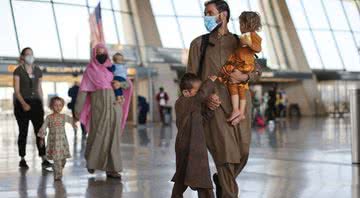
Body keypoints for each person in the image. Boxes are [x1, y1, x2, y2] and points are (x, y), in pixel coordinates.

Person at [187, 1, 262, 197]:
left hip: (240, 106)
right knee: (226, 157)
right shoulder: (198, 44)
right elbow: (190, 80)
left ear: (223, 15)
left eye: (210, 12)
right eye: (205, 13)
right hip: (214, 108)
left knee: (242, 154)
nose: (206, 17)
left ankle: (221, 179)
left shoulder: (240, 41)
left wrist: (245, 77)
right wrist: (205, 98)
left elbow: (257, 70)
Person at [74, 44, 123, 179]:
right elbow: (83, 91)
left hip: (114, 107)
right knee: (98, 134)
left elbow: (124, 83)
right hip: (99, 107)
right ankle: (92, 162)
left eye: (104, 52)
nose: (101, 55)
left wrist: (121, 85)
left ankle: (112, 169)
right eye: (98, 53)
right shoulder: (90, 71)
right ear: (94, 55)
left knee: (113, 138)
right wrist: (77, 111)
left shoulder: (112, 69)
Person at [171, 73, 216, 198]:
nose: (201, 93)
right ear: (186, 92)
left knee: (191, 175)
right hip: (187, 145)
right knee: (190, 175)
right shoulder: (182, 102)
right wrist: (210, 82)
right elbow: (200, 96)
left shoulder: (194, 105)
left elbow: (203, 119)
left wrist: (211, 109)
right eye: (198, 90)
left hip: (196, 145)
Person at [218, 11, 262, 122]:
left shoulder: (252, 37)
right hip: (240, 65)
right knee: (236, 86)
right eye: (240, 24)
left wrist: (249, 44)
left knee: (237, 85)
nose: (240, 27)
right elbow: (237, 52)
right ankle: (238, 111)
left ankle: (239, 111)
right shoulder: (240, 39)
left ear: (250, 25)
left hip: (245, 66)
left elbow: (258, 48)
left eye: (242, 24)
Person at [13, 47, 52, 169]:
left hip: (36, 104)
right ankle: (22, 158)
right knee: (23, 132)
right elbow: (17, 90)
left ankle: (43, 157)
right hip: (21, 104)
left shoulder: (38, 71)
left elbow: (39, 88)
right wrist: (24, 104)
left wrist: (43, 103)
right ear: (23, 57)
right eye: (27, 54)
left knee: (40, 132)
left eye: (32, 54)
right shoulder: (18, 71)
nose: (30, 56)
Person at [38, 96, 76, 181]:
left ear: (62, 106)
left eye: (60, 105)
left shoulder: (63, 116)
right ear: (51, 106)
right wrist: (41, 138)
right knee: (56, 159)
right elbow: (43, 127)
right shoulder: (49, 118)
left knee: (63, 160)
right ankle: (57, 175)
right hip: (53, 142)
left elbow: (71, 120)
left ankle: (58, 168)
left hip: (62, 142)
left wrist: (74, 124)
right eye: (55, 105)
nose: (58, 107)